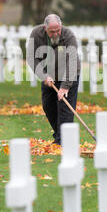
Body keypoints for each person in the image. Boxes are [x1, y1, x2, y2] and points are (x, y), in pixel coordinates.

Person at [26, 14, 81, 145]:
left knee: (65, 109)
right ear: (45, 28)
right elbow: (31, 57)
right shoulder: (36, 34)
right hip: (48, 76)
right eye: (52, 31)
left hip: (69, 75)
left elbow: (72, 61)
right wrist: (43, 76)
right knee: (48, 106)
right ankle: (60, 136)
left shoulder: (69, 36)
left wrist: (65, 86)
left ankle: (62, 142)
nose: (56, 33)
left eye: (58, 30)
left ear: (61, 26)